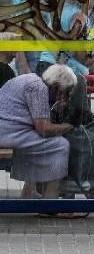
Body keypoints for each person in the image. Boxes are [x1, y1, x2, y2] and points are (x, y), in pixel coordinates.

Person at [0, 65, 75, 201]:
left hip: (8, 129)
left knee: (37, 142)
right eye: (66, 92)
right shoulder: (38, 88)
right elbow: (44, 129)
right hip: (6, 132)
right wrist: (68, 126)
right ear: (57, 87)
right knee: (60, 144)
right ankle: (50, 200)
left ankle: (29, 192)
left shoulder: (32, 80)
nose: (66, 97)